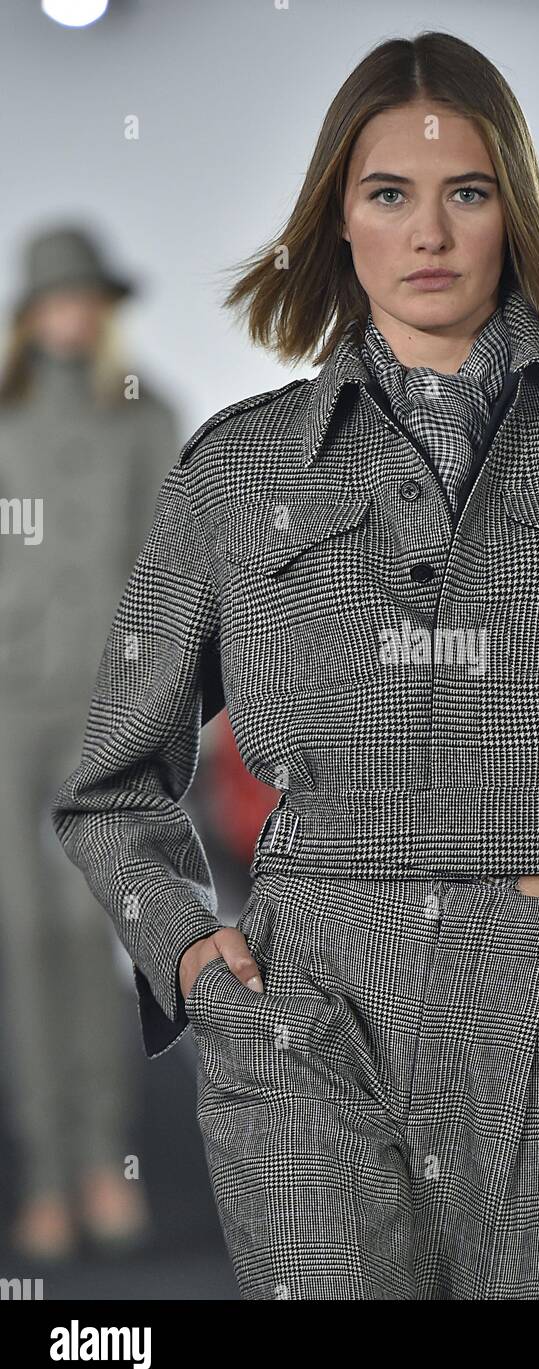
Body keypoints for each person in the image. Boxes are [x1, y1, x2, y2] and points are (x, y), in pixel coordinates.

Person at [50, 33, 539, 1300]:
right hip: (303, 1002)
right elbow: (109, 787)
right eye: (389, 196)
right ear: (339, 224)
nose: (431, 233)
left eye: (467, 192)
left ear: (513, 214)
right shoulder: (238, 471)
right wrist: (197, 957)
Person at [0, 224, 180, 1259]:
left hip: (101, 711)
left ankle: (102, 1160)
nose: (72, 316)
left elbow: (171, 566)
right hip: (6, 711)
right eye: (55, 299)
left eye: (87, 298)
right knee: (24, 942)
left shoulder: (141, 415)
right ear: (30, 312)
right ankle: (44, 1170)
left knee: (93, 937)